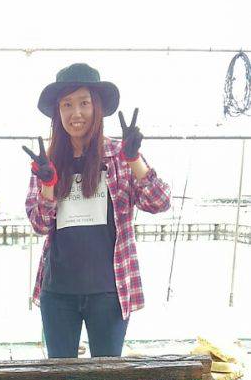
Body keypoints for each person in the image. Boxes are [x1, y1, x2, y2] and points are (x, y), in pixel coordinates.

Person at [23, 63, 171, 359]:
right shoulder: (48, 160)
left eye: (83, 103)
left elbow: (159, 201)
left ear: (97, 107)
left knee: (107, 377)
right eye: (66, 105)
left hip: (109, 290)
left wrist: (134, 158)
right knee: (60, 378)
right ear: (57, 113)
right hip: (58, 292)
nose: (75, 113)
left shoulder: (118, 155)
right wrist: (48, 182)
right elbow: (39, 224)